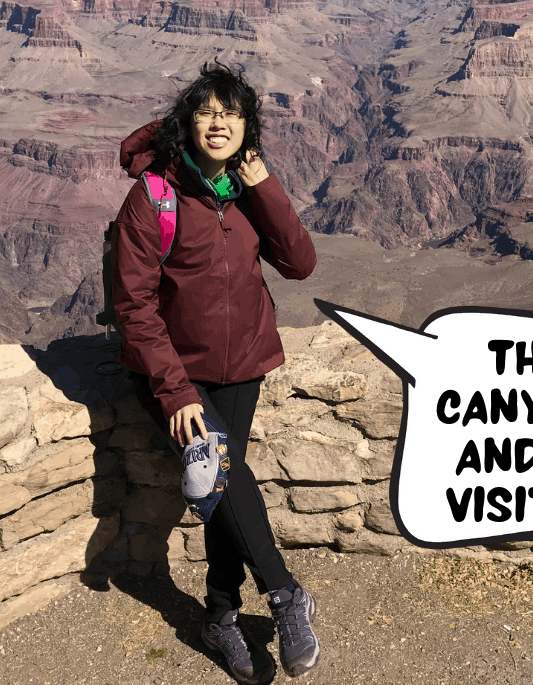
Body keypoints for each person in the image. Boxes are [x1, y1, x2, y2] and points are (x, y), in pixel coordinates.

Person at [113, 60, 320, 682]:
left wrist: (267, 187)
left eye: (231, 114)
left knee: (227, 491)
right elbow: (133, 303)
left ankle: (221, 616)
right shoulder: (154, 196)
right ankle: (284, 595)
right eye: (207, 112)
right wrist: (174, 392)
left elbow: (301, 264)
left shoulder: (245, 188)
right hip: (179, 375)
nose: (219, 124)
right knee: (222, 478)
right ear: (187, 122)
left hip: (244, 363)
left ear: (246, 126)